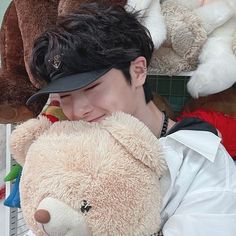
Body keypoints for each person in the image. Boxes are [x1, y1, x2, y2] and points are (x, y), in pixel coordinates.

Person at [27, 3, 236, 236]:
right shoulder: (66, 155)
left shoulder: (200, 161)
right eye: (65, 96)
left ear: (138, 71)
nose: (78, 110)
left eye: (92, 87)